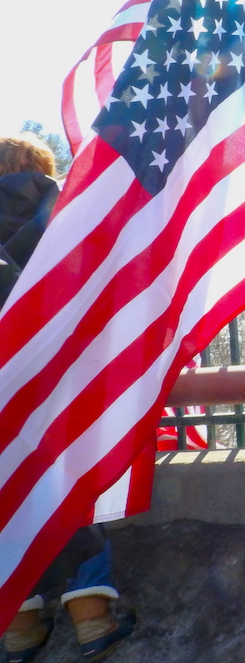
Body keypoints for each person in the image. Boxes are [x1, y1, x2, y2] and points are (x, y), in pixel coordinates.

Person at [0, 133, 135, 663]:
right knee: (70, 487)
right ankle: (91, 618)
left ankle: (20, 627)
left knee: (9, 492)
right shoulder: (70, 210)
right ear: (41, 166)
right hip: (61, 374)